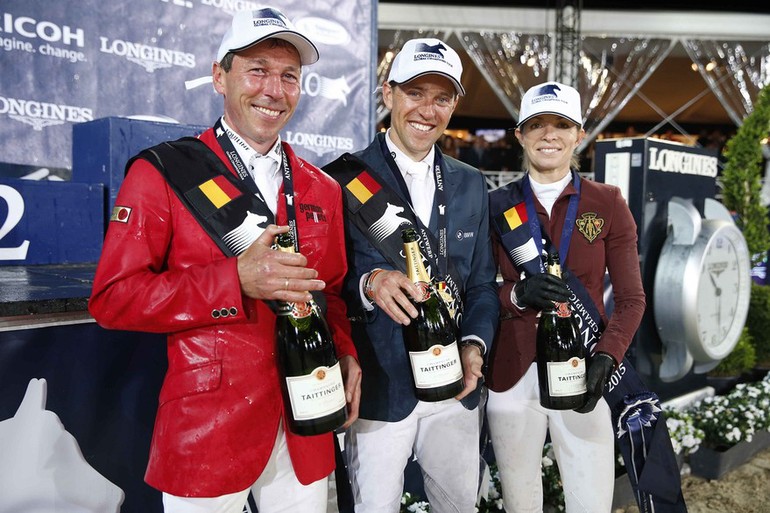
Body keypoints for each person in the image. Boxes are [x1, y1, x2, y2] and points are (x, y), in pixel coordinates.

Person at [88, 7, 361, 513]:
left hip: (308, 418)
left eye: (289, 76)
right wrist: (234, 279)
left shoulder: (322, 187)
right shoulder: (164, 172)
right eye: (257, 70)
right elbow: (112, 299)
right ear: (220, 76)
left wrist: (345, 350)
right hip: (207, 428)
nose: (273, 90)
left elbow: (335, 293)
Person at [323, 38, 499, 512]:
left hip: (455, 384)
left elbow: (482, 284)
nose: (427, 109)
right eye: (414, 92)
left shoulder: (469, 182)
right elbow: (322, 282)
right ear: (388, 94)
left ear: (454, 105)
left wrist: (474, 347)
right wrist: (367, 283)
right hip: (382, 388)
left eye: (442, 97)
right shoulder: (339, 180)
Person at [486, 81, 646, 512]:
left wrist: (606, 358)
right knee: (520, 503)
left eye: (561, 124)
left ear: (579, 134)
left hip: (584, 370)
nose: (549, 134)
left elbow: (632, 300)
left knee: (590, 502)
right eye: (536, 124)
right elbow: (478, 291)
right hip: (511, 376)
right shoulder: (494, 203)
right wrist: (517, 294)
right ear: (520, 135)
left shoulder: (607, 202)